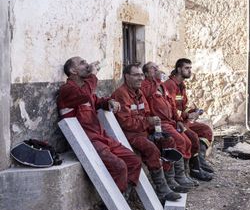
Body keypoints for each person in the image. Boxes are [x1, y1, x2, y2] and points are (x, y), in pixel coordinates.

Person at [57, 57, 141, 199]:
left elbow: (96, 101)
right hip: (88, 141)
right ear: (73, 71)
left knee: (134, 161)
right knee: (119, 166)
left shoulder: (85, 90)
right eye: (82, 63)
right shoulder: (68, 90)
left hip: (101, 137)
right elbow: (84, 96)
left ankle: (124, 196)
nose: (87, 64)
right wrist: (93, 75)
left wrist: (109, 103)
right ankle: (113, 209)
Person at [111, 63, 181, 201]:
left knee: (168, 140)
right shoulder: (121, 94)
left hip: (142, 131)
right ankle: (161, 189)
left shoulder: (139, 93)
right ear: (127, 76)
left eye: (142, 75)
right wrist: (147, 122)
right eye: (136, 75)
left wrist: (155, 130)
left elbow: (147, 112)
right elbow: (126, 123)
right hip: (129, 134)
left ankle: (170, 179)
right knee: (152, 149)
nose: (140, 78)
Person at [141, 61, 199, 189]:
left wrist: (178, 119)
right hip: (159, 123)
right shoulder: (145, 86)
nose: (156, 69)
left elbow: (172, 104)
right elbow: (148, 95)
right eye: (152, 68)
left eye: (157, 67)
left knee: (188, 141)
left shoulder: (162, 85)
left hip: (171, 122)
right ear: (145, 73)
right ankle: (174, 177)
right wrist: (157, 80)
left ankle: (184, 173)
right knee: (178, 141)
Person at [164, 58, 214, 181]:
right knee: (192, 137)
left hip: (183, 120)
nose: (190, 71)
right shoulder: (170, 85)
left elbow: (183, 106)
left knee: (206, 130)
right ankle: (194, 169)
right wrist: (187, 116)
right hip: (176, 122)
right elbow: (171, 108)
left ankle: (200, 161)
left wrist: (193, 112)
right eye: (187, 68)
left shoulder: (181, 85)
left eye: (190, 68)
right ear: (179, 69)